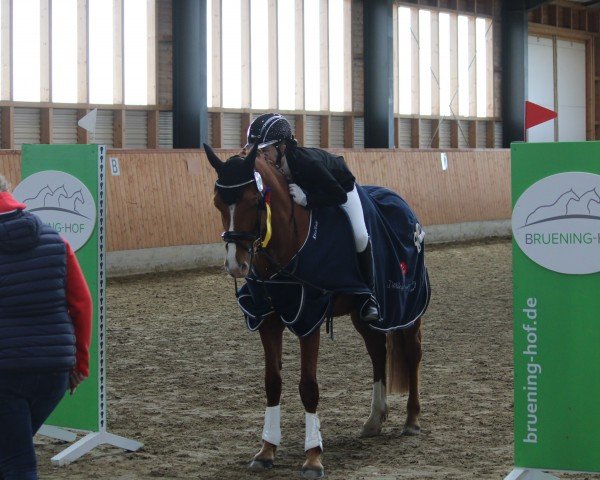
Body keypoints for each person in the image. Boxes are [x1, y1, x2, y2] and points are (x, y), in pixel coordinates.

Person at [246, 113, 380, 323]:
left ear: (281, 147)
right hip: (315, 190)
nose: (261, 158)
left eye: (264, 151)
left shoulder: (306, 163)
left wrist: (307, 199)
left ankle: (368, 296)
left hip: (340, 187)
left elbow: (338, 195)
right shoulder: (275, 167)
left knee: (361, 235)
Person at [0, 174, 92, 480]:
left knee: (17, 463)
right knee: (12, 451)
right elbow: (81, 304)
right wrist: (80, 362)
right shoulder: (56, 240)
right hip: (54, 369)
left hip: (7, 371)